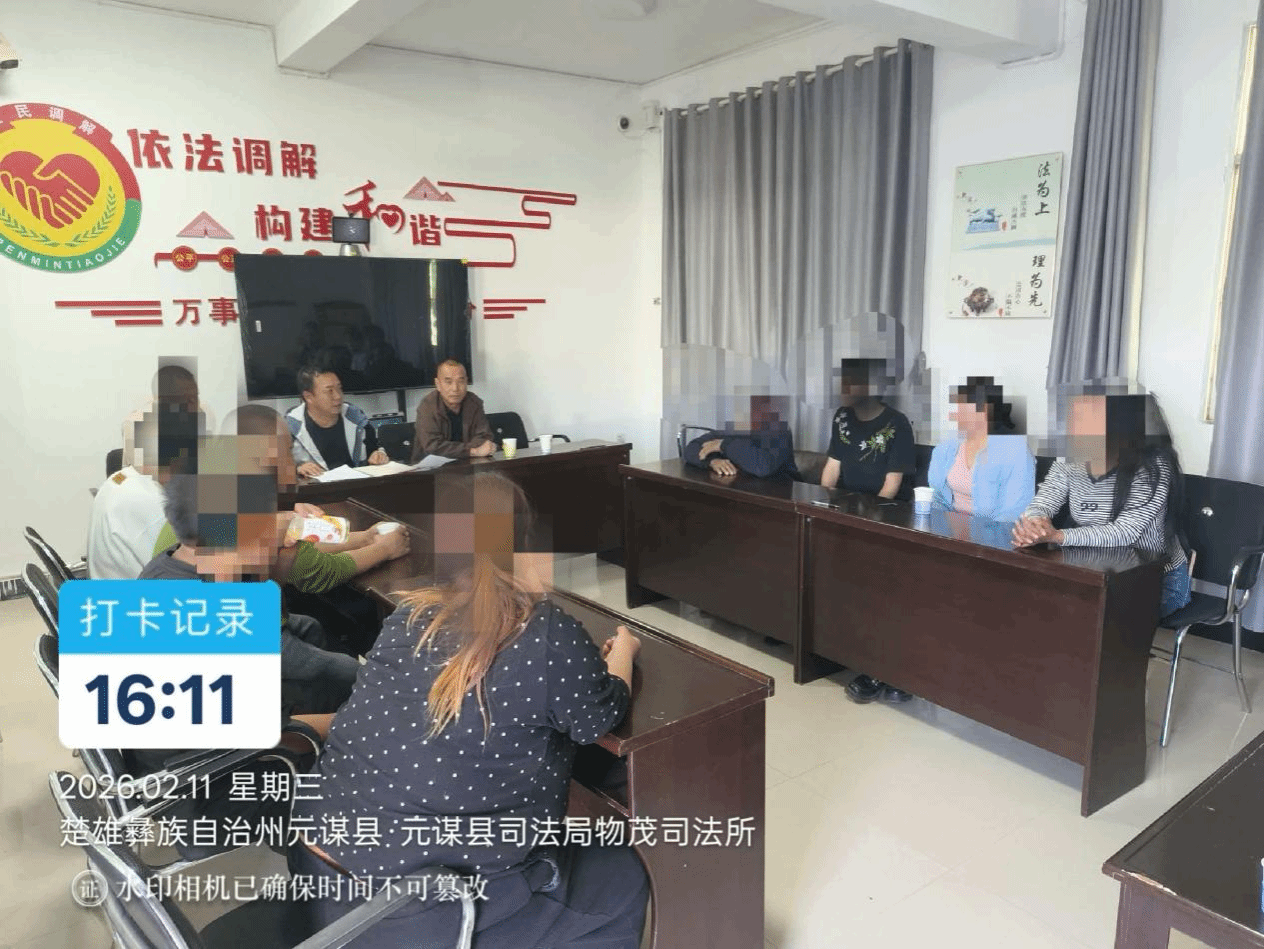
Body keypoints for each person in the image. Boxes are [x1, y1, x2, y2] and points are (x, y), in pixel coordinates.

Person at [290, 472, 650, 948]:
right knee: (622, 876)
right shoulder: (542, 633)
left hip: (320, 877)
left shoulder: (409, 614)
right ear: (523, 542)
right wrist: (623, 651)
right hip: (418, 912)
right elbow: (602, 713)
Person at [141, 405, 411, 718]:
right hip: (224, 717)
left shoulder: (188, 551)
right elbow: (290, 655)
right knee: (350, 675)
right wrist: (360, 686)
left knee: (311, 628)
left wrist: (277, 565)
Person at [1012, 389, 1191, 618]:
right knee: (1036, 600)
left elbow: (1125, 533)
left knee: (1081, 616)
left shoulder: (1153, 467)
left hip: (1156, 579)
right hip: (1095, 570)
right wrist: (1035, 525)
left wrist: (1057, 536)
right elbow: (1043, 502)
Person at [927, 376, 1035, 523]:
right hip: (947, 528)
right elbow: (936, 499)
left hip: (993, 532)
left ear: (986, 410)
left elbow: (1014, 512)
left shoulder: (1016, 451)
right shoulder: (946, 448)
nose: (956, 414)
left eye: (962, 407)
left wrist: (975, 532)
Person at [821, 358, 915, 499]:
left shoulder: (898, 423)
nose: (843, 388)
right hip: (848, 502)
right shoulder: (842, 416)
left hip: (885, 506)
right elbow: (832, 466)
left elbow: (892, 484)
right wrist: (822, 502)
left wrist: (872, 511)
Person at [287, 366, 390, 479]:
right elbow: (277, 468)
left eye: (339, 388)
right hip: (317, 488)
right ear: (308, 397)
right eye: (329, 391)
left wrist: (379, 455)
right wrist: (297, 469)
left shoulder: (355, 417)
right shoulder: (290, 426)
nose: (338, 396)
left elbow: (375, 447)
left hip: (358, 484)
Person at [683, 395, 801, 479]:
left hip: (780, 495)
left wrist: (723, 445)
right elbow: (691, 448)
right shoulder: (737, 426)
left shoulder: (780, 429)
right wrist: (712, 461)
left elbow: (763, 466)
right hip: (743, 491)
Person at [412, 358, 496, 462]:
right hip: (430, 467)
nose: (455, 388)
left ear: (466, 382)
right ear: (438, 384)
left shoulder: (474, 403)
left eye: (461, 381)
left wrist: (466, 451)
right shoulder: (427, 406)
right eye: (448, 382)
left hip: (468, 464)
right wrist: (472, 451)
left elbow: (484, 437)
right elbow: (432, 446)